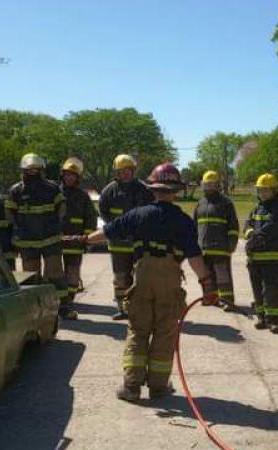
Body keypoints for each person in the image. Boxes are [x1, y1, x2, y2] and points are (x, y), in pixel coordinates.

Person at [83, 163, 218, 402]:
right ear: (175, 190)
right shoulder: (184, 221)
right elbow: (195, 256)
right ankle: (158, 387)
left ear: (153, 189)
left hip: (143, 276)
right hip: (170, 278)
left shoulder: (139, 214)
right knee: (165, 332)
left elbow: (109, 231)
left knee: (139, 329)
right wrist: (206, 283)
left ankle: (132, 387)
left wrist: (85, 239)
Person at [6, 153, 70, 315]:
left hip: (50, 238)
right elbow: (9, 213)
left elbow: (62, 206)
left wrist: (57, 223)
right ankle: (33, 308)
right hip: (27, 241)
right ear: (23, 170)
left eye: (36, 169)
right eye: (29, 170)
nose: (33, 172)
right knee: (31, 276)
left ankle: (62, 305)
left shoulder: (52, 187)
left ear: (41, 169)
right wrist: (18, 228)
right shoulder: (16, 190)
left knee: (55, 272)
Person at [98, 153, 154, 320]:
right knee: (121, 277)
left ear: (133, 170)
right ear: (117, 172)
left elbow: (151, 211)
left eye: (129, 170)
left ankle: (139, 308)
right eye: (122, 170)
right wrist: (116, 228)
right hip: (117, 243)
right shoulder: (109, 191)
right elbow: (104, 212)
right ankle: (122, 308)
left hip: (138, 242)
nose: (126, 173)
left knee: (141, 276)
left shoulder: (144, 189)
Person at [244, 173, 278, 333]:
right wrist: (250, 234)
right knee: (257, 288)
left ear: (275, 190)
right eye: (260, 190)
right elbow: (248, 225)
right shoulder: (256, 208)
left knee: (271, 289)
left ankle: (274, 320)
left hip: (273, 257)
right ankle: (261, 316)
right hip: (255, 257)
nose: (263, 193)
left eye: (266, 190)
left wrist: (258, 238)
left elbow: (277, 227)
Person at [193, 170, 240, 311]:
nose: (209, 187)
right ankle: (211, 298)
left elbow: (233, 225)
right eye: (207, 185)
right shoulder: (200, 203)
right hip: (203, 248)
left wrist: (232, 242)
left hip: (221, 247)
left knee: (223, 276)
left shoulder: (226, 203)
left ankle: (227, 300)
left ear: (218, 185)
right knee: (207, 276)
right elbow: (194, 225)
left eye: (212, 185)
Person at [59, 157, 99, 320]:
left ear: (77, 178)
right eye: (67, 175)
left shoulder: (83, 196)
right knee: (54, 272)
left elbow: (91, 217)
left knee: (73, 271)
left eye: (72, 175)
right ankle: (57, 300)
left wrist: (86, 238)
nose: (69, 178)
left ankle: (69, 301)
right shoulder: (54, 192)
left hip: (76, 239)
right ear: (63, 175)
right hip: (55, 239)